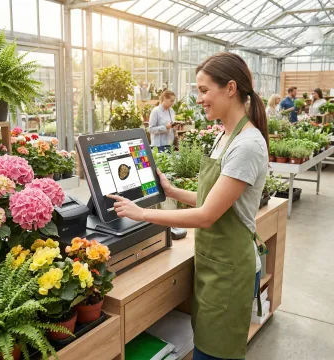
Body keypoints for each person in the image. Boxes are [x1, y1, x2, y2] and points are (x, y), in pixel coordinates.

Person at [108, 52, 269, 360]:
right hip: (214, 263)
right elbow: (214, 200)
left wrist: (141, 213)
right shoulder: (224, 135)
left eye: (204, 90)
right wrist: (171, 190)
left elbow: (208, 215)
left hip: (230, 271)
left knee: (213, 354)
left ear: (231, 88)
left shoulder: (246, 144)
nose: (199, 99)